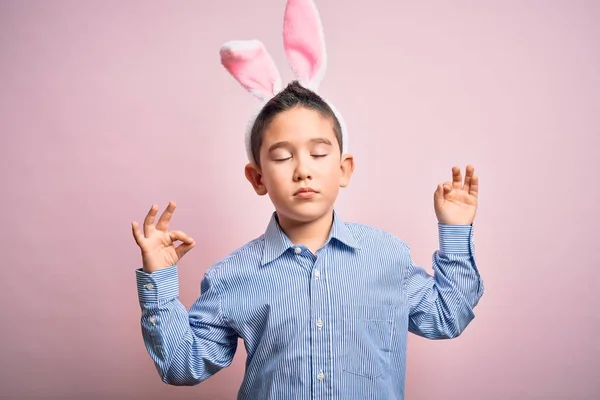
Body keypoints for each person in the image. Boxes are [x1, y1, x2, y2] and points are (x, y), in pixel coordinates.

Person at [131, 81, 484, 399]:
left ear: (344, 168)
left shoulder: (387, 256)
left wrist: (455, 230)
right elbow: (181, 365)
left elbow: (447, 316)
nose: (303, 170)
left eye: (318, 154)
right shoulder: (231, 276)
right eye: (283, 157)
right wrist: (160, 280)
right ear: (257, 178)